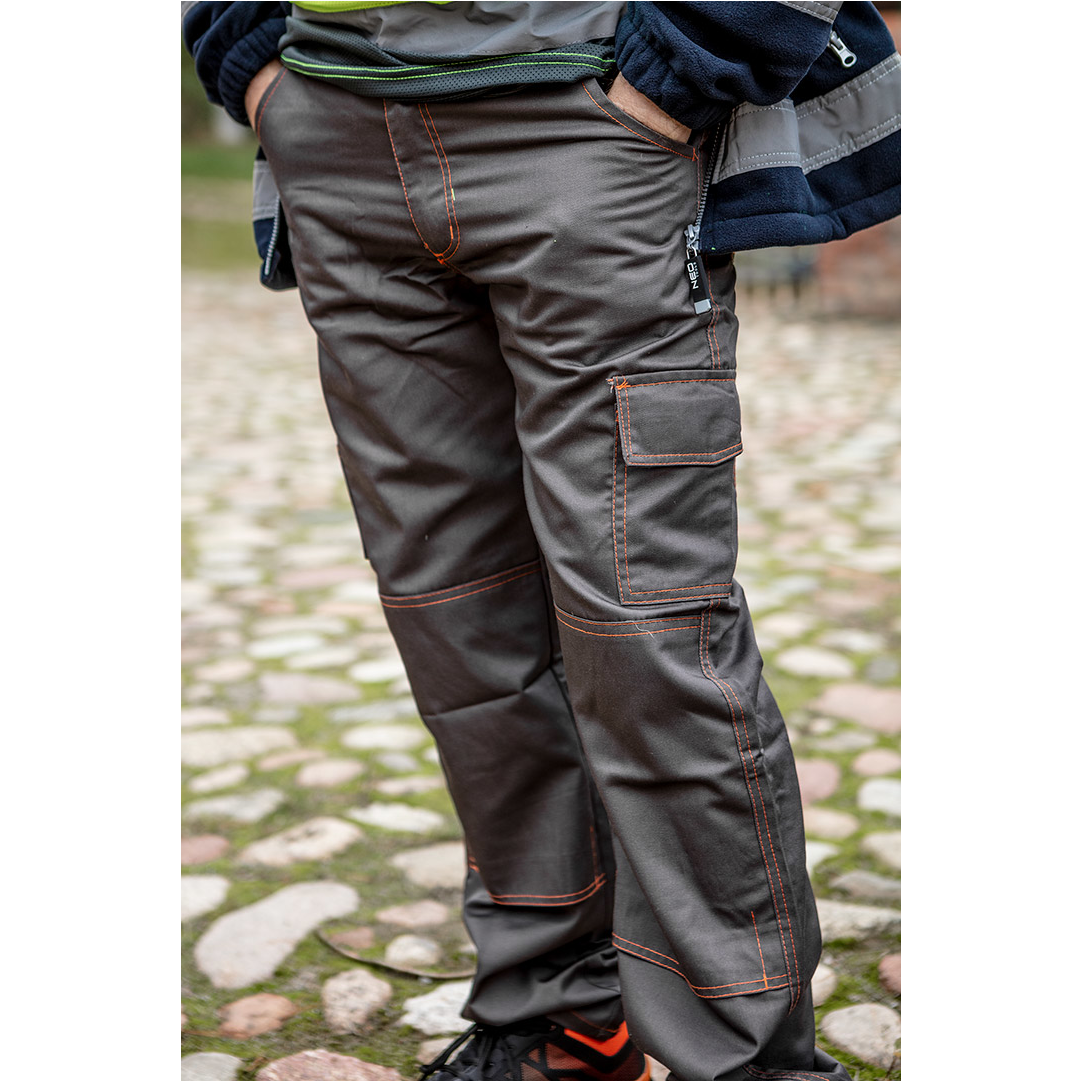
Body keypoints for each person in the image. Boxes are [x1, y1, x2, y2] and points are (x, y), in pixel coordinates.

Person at [182, 4, 900, 1079]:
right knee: (459, 626)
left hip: (586, 111)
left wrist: (686, 64)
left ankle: (747, 1061)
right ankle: (567, 1021)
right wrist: (243, 51)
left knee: (650, 635)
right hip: (335, 122)